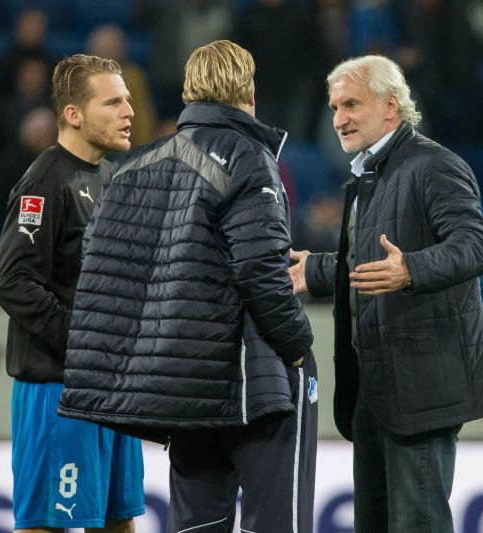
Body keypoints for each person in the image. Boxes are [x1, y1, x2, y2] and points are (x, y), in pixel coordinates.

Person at [58, 40, 316, 533]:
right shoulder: (249, 158)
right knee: (278, 523)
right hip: (251, 384)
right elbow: (259, 270)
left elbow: (104, 278)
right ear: (250, 93)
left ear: (189, 91)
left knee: (196, 524)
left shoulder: (133, 167)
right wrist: (298, 346)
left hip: (179, 387)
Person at [289, 55, 483, 532]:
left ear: (391, 106)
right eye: (333, 108)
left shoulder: (432, 164)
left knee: (417, 523)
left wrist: (411, 268)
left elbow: (476, 245)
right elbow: (371, 264)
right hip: (375, 382)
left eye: (351, 104)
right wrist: (321, 271)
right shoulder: (369, 174)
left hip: (422, 384)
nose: (339, 119)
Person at [0, 54, 143, 533]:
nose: (129, 112)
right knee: (47, 525)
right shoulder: (44, 182)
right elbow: (12, 281)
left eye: (129, 100)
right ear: (74, 114)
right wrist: (83, 339)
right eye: (113, 101)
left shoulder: (111, 176)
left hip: (111, 387)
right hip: (58, 387)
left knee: (119, 520)